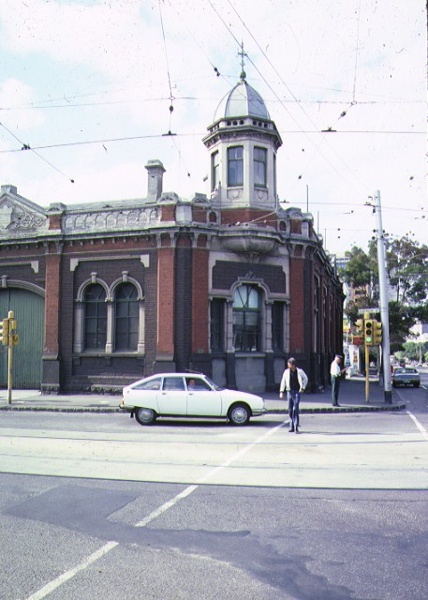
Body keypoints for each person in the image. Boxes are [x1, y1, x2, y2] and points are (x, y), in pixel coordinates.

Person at [279, 358, 308, 433]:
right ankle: (291, 426)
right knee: (290, 409)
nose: (288, 365)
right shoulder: (286, 372)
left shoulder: (299, 371)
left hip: (297, 391)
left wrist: (303, 387)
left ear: (293, 365)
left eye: (289, 364)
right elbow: (283, 381)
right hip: (289, 391)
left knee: (295, 408)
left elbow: (305, 379)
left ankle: (296, 426)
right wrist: (281, 391)